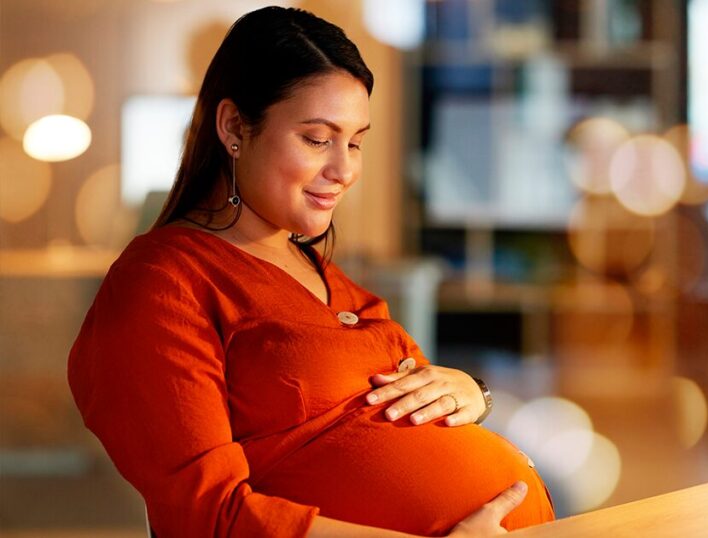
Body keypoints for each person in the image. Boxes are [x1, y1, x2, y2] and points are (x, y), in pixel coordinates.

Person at [67, 6, 555, 537]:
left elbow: (411, 409)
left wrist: (468, 392)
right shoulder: (164, 281)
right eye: (318, 139)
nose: (344, 170)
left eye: (355, 142)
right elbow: (206, 515)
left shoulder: (329, 280)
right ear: (234, 126)